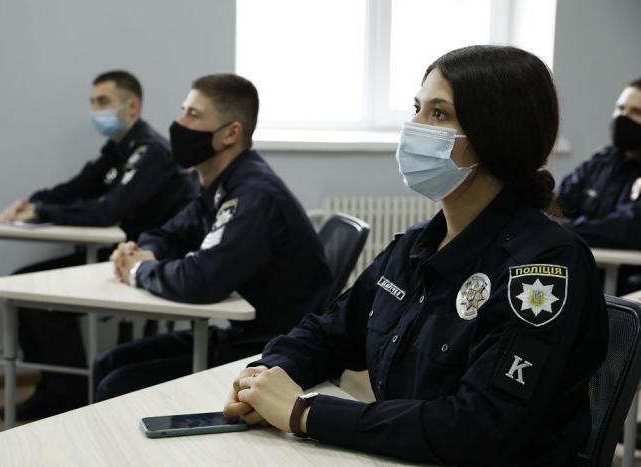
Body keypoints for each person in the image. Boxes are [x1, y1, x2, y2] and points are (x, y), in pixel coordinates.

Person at [223, 46, 609, 467]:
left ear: (495, 134)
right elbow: (330, 332)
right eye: (416, 108)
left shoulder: (543, 268)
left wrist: (305, 413)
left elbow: (479, 428)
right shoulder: (417, 245)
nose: (413, 127)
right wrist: (267, 375)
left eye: (438, 114)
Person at [95, 73, 332, 401]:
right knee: (108, 362)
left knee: (117, 384)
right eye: (183, 111)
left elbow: (201, 281)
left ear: (230, 133)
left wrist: (138, 269)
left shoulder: (253, 194)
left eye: (193, 115)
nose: (179, 124)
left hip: (272, 354)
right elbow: (170, 233)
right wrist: (143, 251)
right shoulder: (220, 185)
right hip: (242, 336)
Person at [0, 70, 198, 421]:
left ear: (132, 106)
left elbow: (108, 212)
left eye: (103, 101)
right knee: (23, 287)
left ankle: (66, 396)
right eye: (92, 102)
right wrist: (31, 203)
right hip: (114, 255)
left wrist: (42, 212)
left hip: (146, 260)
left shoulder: (151, 151)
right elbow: (77, 187)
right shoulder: (116, 149)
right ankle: (56, 389)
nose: (95, 110)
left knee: (41, 301)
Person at [557, 78, 641, 295]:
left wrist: (566, 228)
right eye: (620, 108)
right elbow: (557, 203)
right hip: (583, 278)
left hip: (628, 289)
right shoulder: (601, 161)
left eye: (636, 112)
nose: (623, 117)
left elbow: (628, 228)